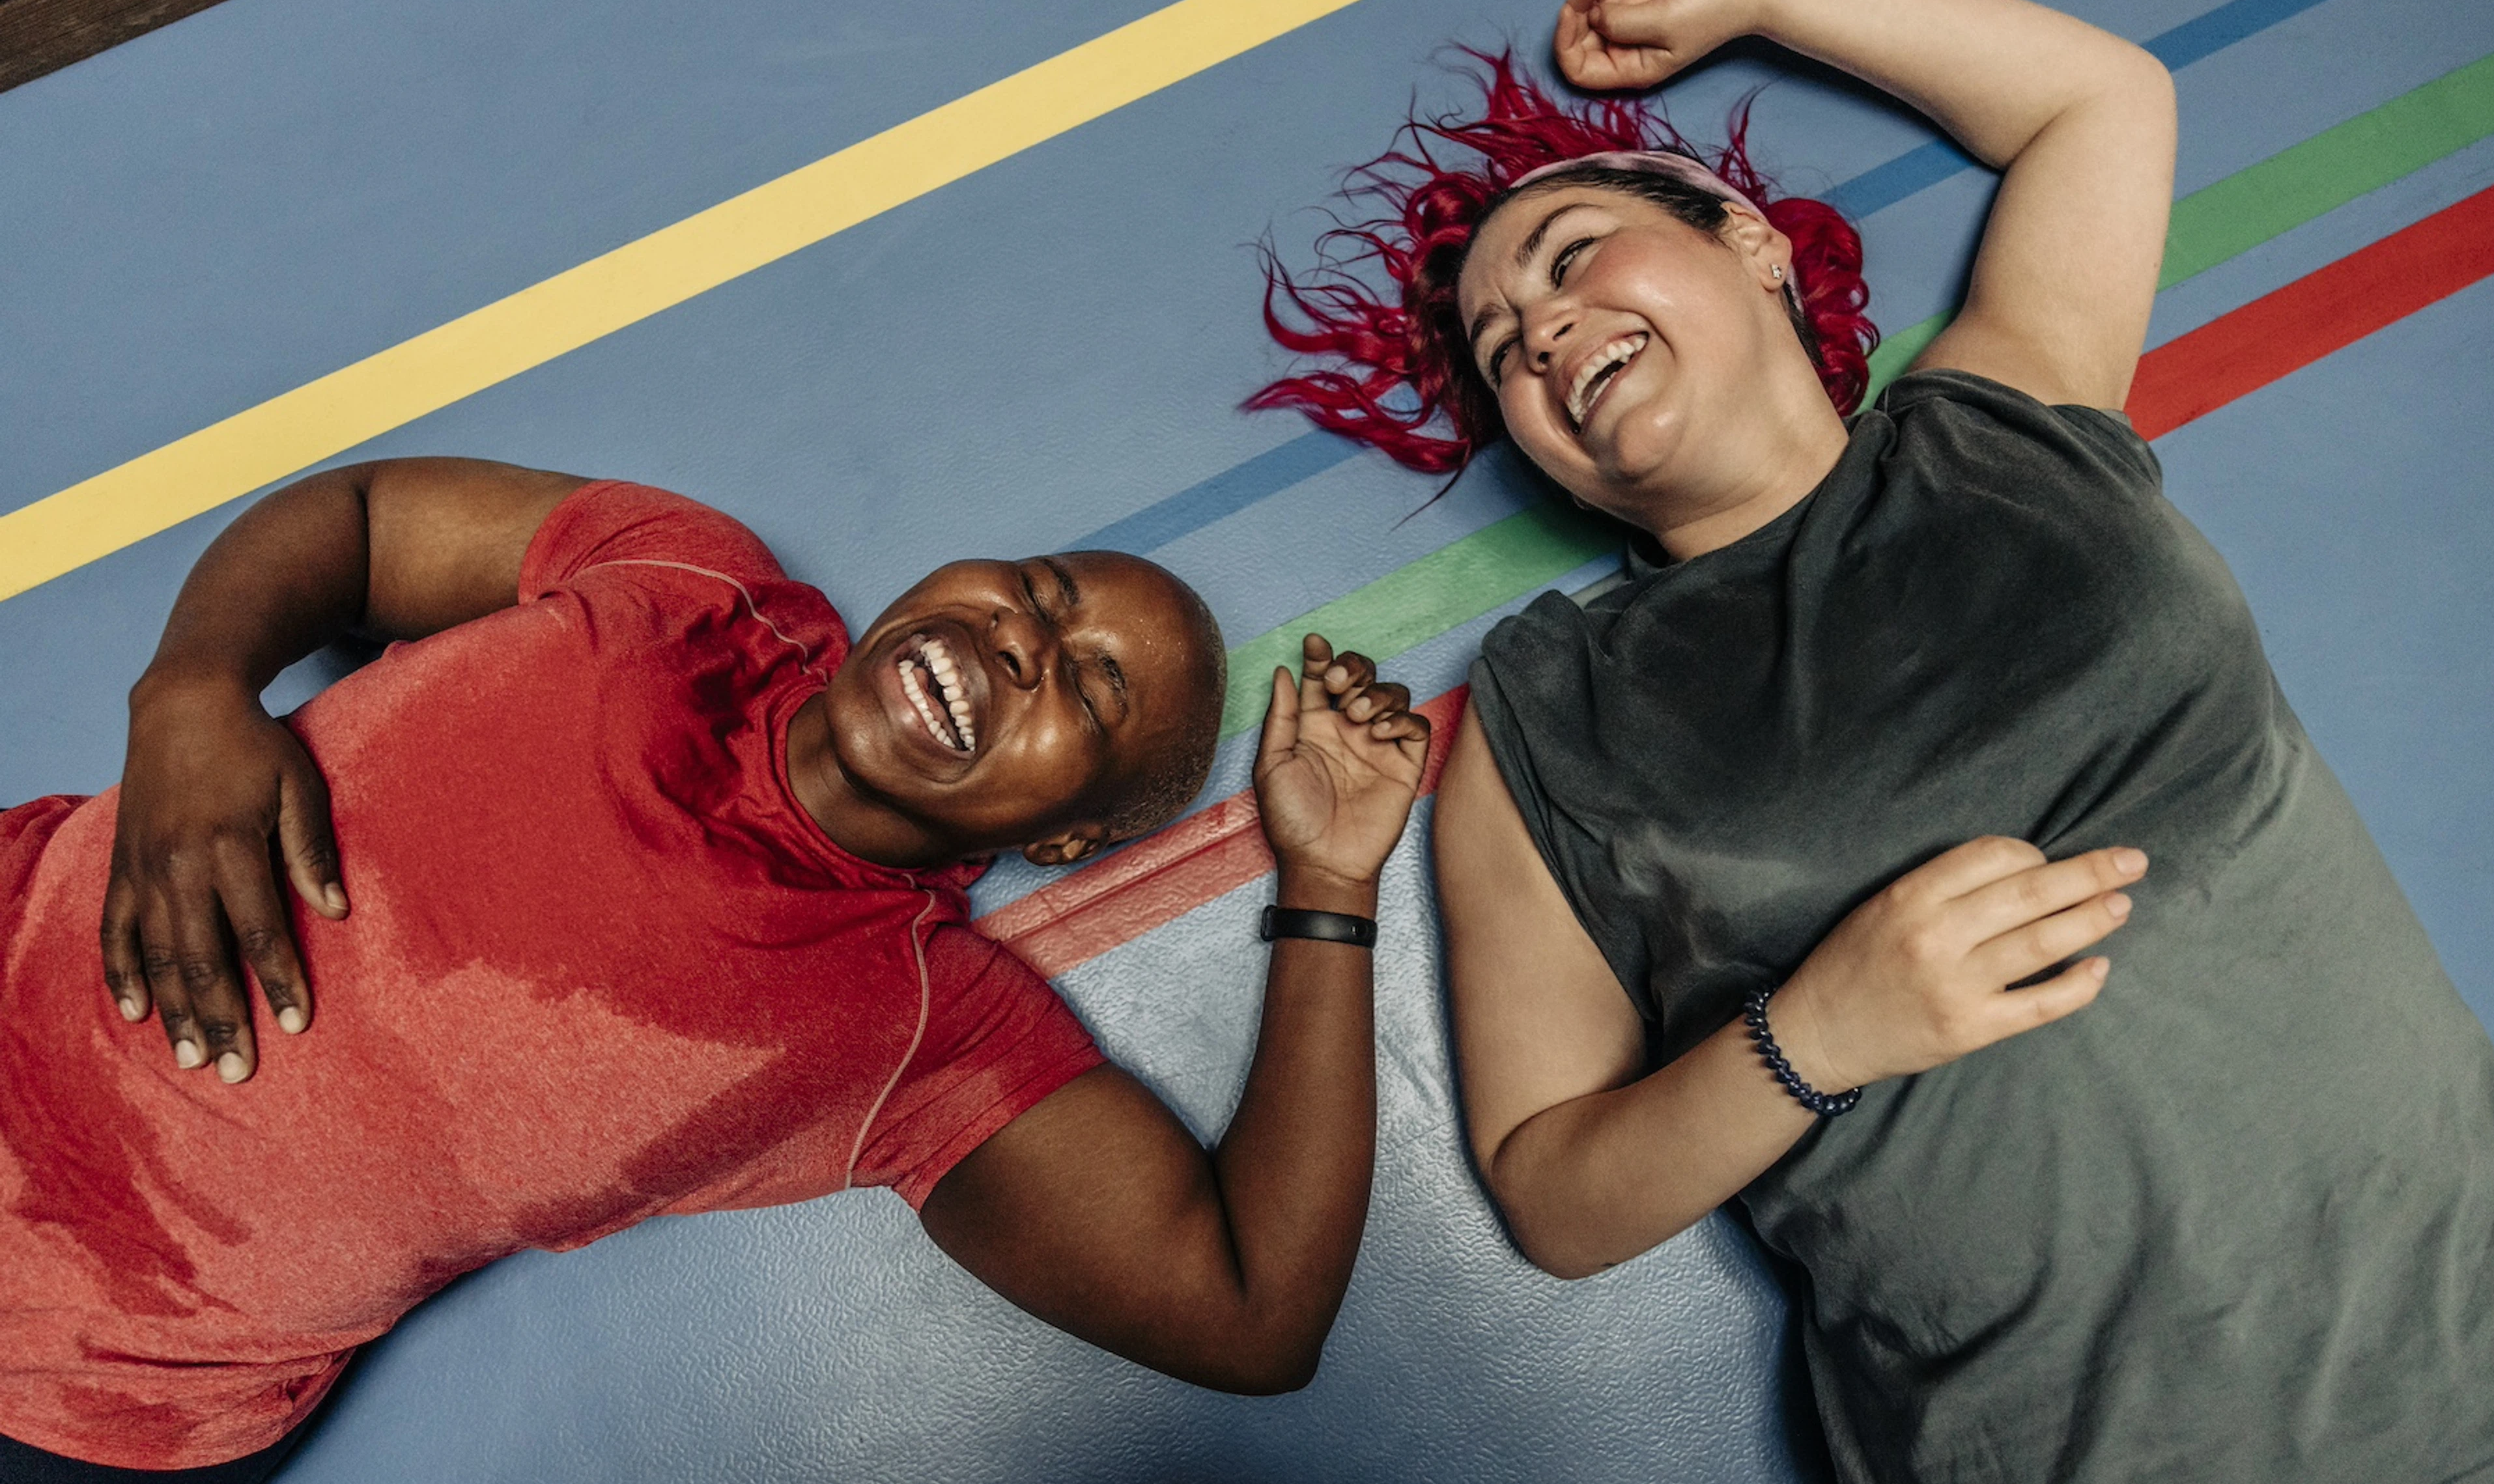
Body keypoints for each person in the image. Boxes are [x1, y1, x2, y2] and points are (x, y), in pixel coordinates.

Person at [1257, 0, 2494, 1481]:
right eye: (1506, 350)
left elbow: (2099, 101)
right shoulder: (1547, 719)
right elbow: (1555, 1194)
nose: (1546, 331)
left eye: (1575, 256)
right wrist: (1817, 1031)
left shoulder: (1999, 425)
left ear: (1754, 246)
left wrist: (1753, 0)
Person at [0, 458, 1432, 1479]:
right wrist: (192, 684)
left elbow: (1247, 1311)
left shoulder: (922, 1027)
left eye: (1091, 688)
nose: (1024, 640)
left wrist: (1329, 881)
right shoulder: (686, 575)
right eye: (1045, 593)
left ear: (1065, 840)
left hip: (90, 1394)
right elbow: (366, 519)